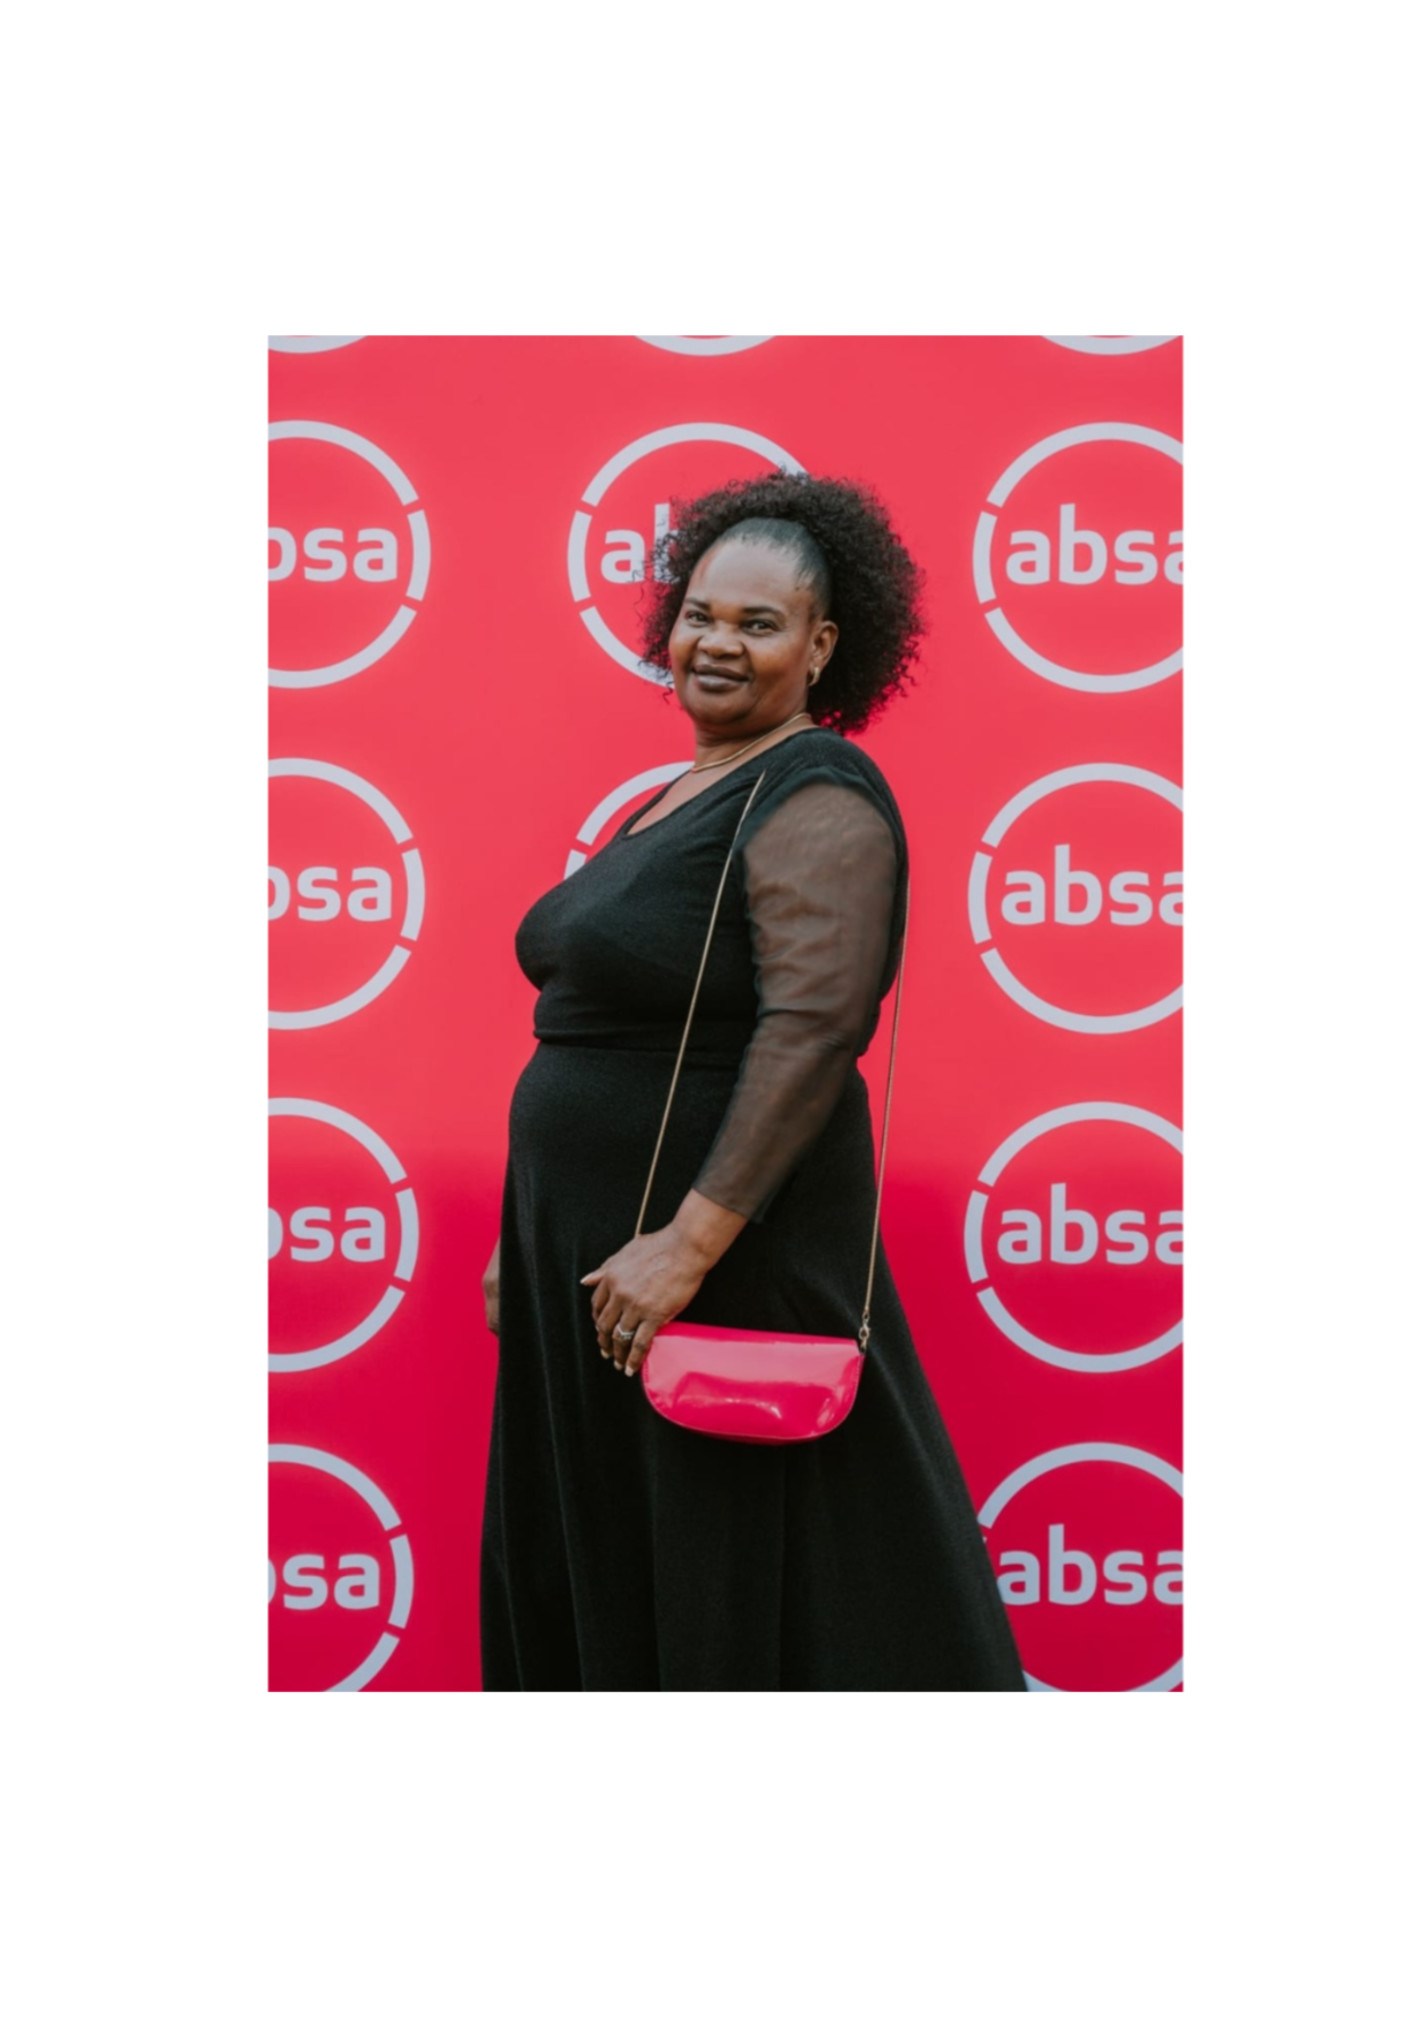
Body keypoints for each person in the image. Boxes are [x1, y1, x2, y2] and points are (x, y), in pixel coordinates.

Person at [479, 471, 1025, 1691]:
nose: (717, 643)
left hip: (713, 1261)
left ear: (822, 648)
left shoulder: (817, 793)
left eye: (760, 623)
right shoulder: (679, 797)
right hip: (595, 1255)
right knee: (609, 1551)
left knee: (720, 1562)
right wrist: (525, 1238)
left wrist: (686, 1246)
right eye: (701, 615)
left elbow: (814, 1032)